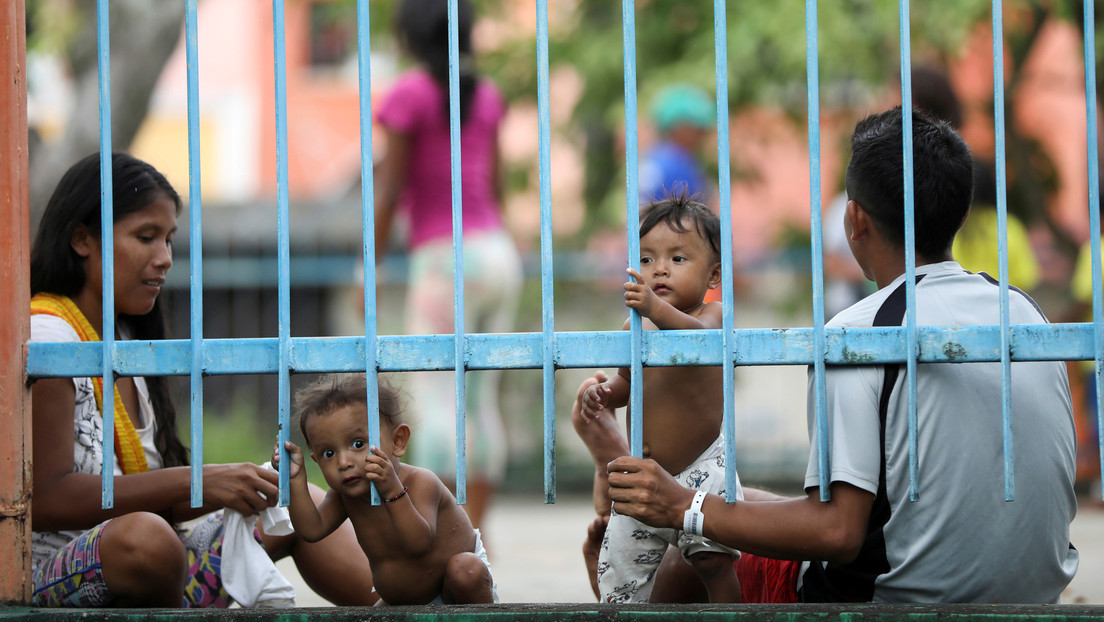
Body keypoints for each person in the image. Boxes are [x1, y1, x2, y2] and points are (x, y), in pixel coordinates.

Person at [605, 107, 1079, 603]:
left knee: (691, 552)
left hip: (897, 601)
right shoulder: (1025, 312)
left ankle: (635, 492)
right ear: (961, 215)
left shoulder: (859, 331)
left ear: (854, 220)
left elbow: (838, 534)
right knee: (741, 503)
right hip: (1035, 595)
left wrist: (684, 506)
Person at [27, 153, 378, 608]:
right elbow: (46, 499)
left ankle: (394, 607)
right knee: (146, 539)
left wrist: (233, 484)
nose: (165, 258)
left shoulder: (125, 342)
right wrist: (198, 481)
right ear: (82, 240)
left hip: (160, 567)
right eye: (146, 237)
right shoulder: (50, 336)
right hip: (58, 576)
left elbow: (149, 499)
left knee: (293, 499)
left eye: (169, 240)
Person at [374, 0, 521, 532]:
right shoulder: (487, 95)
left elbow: (388, 187)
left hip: (445, 257)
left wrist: (370, 266)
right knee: (481, 399)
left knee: (434, 394)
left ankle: (443, 532)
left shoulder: (408, 95)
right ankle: (477, 533)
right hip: (497, 252)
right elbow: (498, 184)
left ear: (411, 38)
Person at [578, 195, 742, 604]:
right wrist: (605, 395)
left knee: (712, 561)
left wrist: (653, 307)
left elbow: (697, 339)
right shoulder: (636, 327)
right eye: (647, 260)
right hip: (644, 473)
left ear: (713, 274)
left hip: (702, 470)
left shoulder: (712, 316)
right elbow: (626, 382)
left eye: (678, 259)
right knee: (621, 569)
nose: (660, 270)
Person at [273, 374, 497, 605]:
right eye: (328, 454)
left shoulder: (421, 482)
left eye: (358, 444)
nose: (344, 462)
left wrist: (392, 491)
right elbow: (311, 529)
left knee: (466, 570)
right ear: (316, 460)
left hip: (455, 594)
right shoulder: (346, 495)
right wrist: (295, 480)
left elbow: (418, 543)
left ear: (397, 441)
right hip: (400, 603)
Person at [639, 84, 716, 206]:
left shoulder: (655, 157)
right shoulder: (676, 164)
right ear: (679, 128)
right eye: (697, 129)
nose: (702, 136)